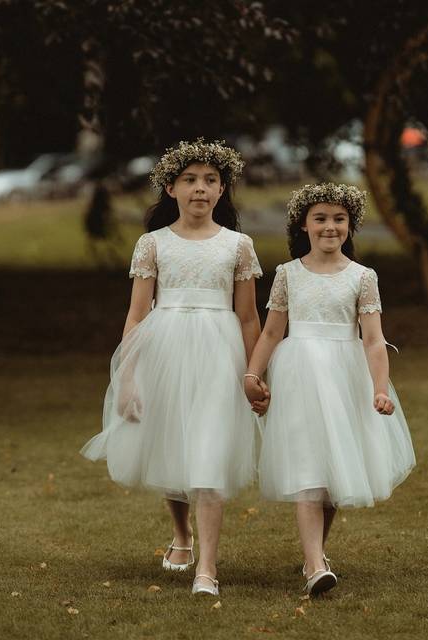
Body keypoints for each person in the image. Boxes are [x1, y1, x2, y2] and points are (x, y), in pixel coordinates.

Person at [81, 139, 263, 597]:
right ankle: (181, 535)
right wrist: (127, 378)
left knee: (208, 448)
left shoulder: (238, 246)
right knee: (175, 442)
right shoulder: (153, 244)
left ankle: (207, 569)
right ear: (171, 188)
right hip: (166, 350)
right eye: (190, 181)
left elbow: (247, 317)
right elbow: (137, 315)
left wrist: (257, 370)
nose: (200, 189)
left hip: (220, 353)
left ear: (222, 190)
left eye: (210, 181)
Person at [243, 183, 416, 596]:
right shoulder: (288, 274)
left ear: (350, 225)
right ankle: (315, 567)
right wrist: (252, 374)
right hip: (300, 372)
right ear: (304, 224)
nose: (329, 227)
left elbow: (373, 340)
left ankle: (314, 553)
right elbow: (270, 331)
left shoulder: (362, 277)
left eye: (339, 219)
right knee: (307, 465)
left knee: (335, 471)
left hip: (345, 374)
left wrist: (379, 388)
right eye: (320, 218)